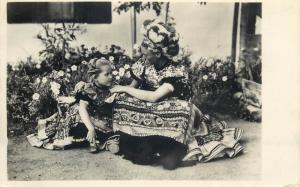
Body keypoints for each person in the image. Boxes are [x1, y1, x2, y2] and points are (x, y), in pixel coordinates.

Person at [110, 19, 244, 169]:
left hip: (172, 108)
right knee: (122, 101)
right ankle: (138, 136)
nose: (143, 58)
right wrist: (121, 93)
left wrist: (124, 89)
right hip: (150, 108)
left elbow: (154, 97)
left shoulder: (175, 71)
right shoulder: (143, 64)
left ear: (158, 53)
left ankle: (168, 143)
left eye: (147, 55)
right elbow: (132, 88)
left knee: (182, 110)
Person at [27, 58, 119, 153]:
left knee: (110, 125)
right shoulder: (88, 90)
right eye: (107, 74)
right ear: (95, 77)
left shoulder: (112, 87)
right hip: (84, 119)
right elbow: (82, 109)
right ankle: (94, 140)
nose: (111, 76)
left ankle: (104, 140)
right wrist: (90, 128)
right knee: (77, 111)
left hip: (101, 119)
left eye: (111, 73)